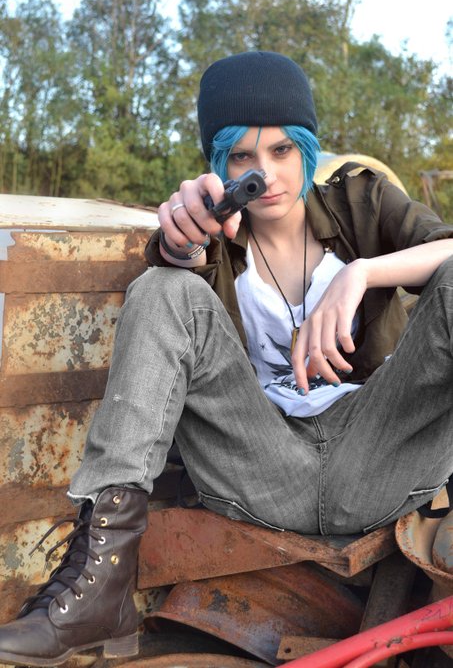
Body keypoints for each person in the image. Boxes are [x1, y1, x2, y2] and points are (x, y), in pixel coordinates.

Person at [0, 50, 452, 665]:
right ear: (219, 163)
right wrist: (181, 243)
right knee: (163, 288)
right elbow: (177, 262)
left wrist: (363, 273)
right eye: (242, 157)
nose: (266, 173)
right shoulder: (213, 228)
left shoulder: (361, 201)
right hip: (260, 463)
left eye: (282, 149)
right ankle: (99, 588)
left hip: (376, 455)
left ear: (307, 146)